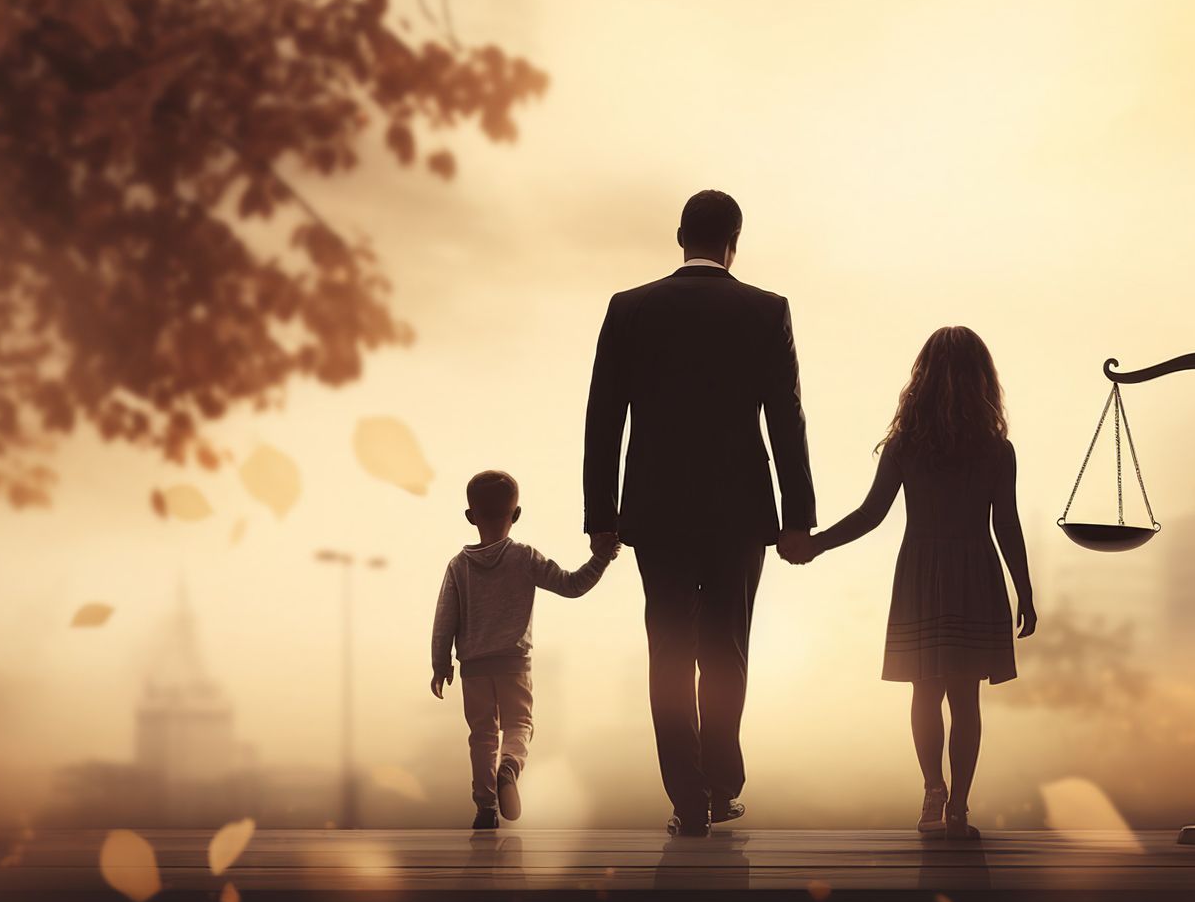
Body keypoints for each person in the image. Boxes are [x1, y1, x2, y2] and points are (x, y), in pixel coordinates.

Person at [583, 189, 816, 837]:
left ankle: (686, 799)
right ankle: (719, 784)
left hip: (654, 510)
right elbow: (785, 418)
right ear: (733, 241)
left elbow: (604, 419)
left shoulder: (629, 309)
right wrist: (797, 516)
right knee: (726, 649)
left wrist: (602, 514)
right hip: (740, 509)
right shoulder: (766, 310)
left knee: (668, 650)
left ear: (679, 234)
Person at [798, 326, 1037, 839]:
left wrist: (815, 545)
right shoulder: (997, 449)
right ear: (983, 380)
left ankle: (934, 790)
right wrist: (1025, 591)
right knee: (965, 697)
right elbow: (1006, 525)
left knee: (925, 692)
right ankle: (961, 807)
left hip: (921, 573)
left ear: (921, 380)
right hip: (976, 572)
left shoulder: (906, 445)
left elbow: (870, 515)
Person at [432, 470, 620, 830]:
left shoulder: (458, 566)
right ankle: (511, 766)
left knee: (482, 734)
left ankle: (485, 808)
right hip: (514, 662)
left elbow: (445, 619)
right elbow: (572, 585)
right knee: (519, 724)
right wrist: (602, 558)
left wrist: (441, 664)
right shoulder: (524, 557)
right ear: (515, 514)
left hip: (473, 666)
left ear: (471, 517)